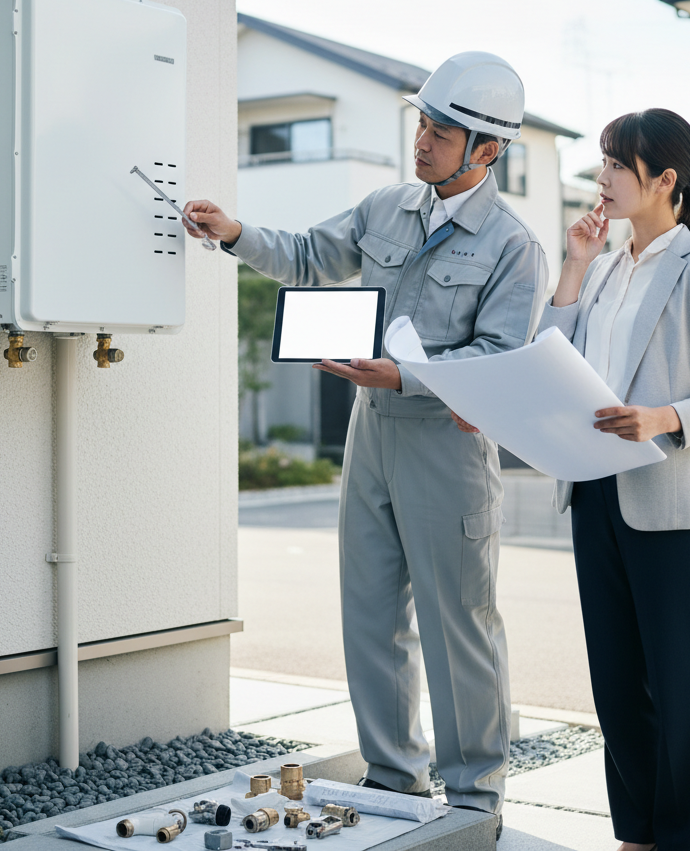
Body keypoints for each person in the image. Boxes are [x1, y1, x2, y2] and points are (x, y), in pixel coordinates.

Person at [183, 52, 549, 837]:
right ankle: (394, 776)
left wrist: (405, 377)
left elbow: (500, 359)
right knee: (371, 614)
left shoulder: (515, 247)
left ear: (488, 150)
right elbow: (312, 256)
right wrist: (236, 233)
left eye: (441, 131)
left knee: (460, 622)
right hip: (370, 435)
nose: (422, 140)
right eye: (421, 123)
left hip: (445, 446)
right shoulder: (387, 207)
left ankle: (476, 795)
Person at [464, 108, 690, 851]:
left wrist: (662, 419)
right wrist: (576, 267)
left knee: (681, 687)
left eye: (616, 166)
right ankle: (640, 833)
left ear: (665, 180)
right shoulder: (608, 267)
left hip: (670, 507)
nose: (601, 179)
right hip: (594, 496)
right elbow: (551, 358)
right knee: (618, 685)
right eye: (601, 165)